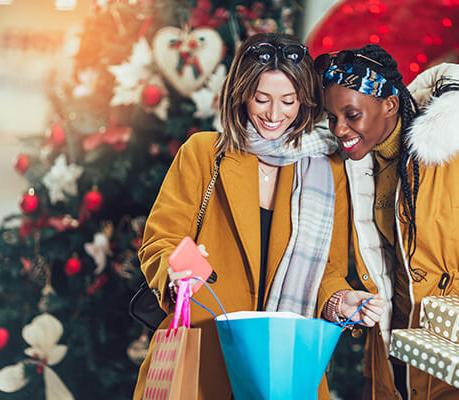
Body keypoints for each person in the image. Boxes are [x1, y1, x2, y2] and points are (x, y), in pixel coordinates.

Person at [133, 33, 385, 400]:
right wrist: (174, 274)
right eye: (261, 98)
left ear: (304, 101)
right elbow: (161, 241)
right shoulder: (205, 153)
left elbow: (327, 269)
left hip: (282, 364)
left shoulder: (325, 169)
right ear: (242, 94)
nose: (274, 114)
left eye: (288, 101)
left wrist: (338, 300)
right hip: (206, 350)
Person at [315, 44, 459, 399]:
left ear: (389, 105)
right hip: (394, 363)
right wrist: (337, 297)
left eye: (352, 115)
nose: (339, 129)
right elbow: (326, 262)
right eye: (332, 118)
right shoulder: (345, 168)